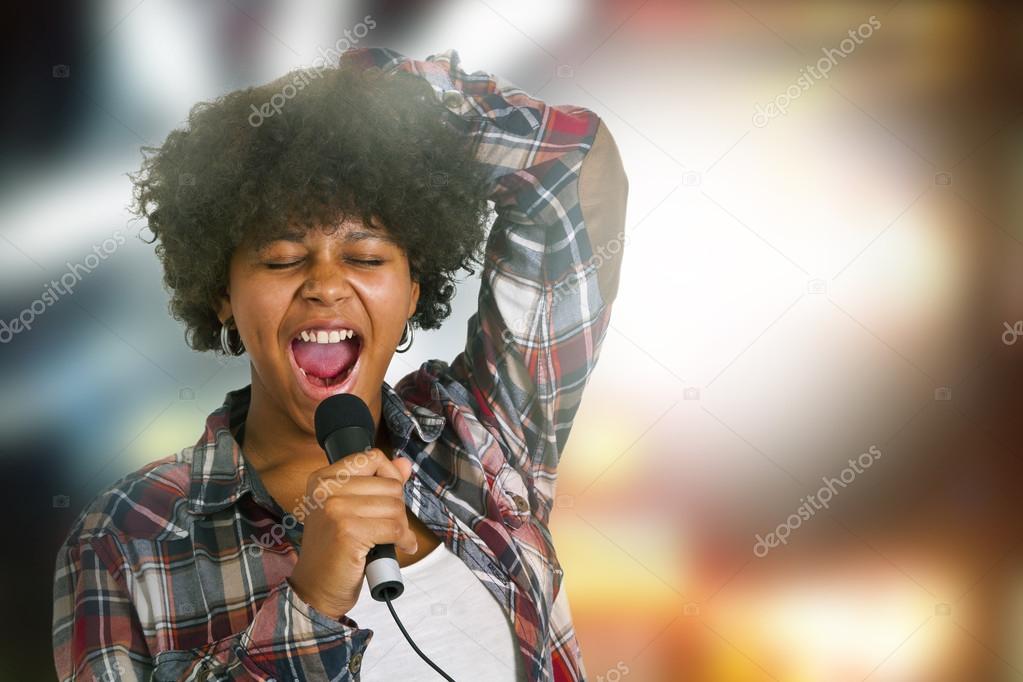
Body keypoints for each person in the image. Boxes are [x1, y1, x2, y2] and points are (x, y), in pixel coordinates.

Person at [52, 46, 627, 681]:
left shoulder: (484, 434)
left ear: (413, 291)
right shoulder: (127, 535)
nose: (325, 284)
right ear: (222, 292)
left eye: (367, 257)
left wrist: (377, 98)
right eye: (280, 258)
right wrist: (313, 604)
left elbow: (568, 167)